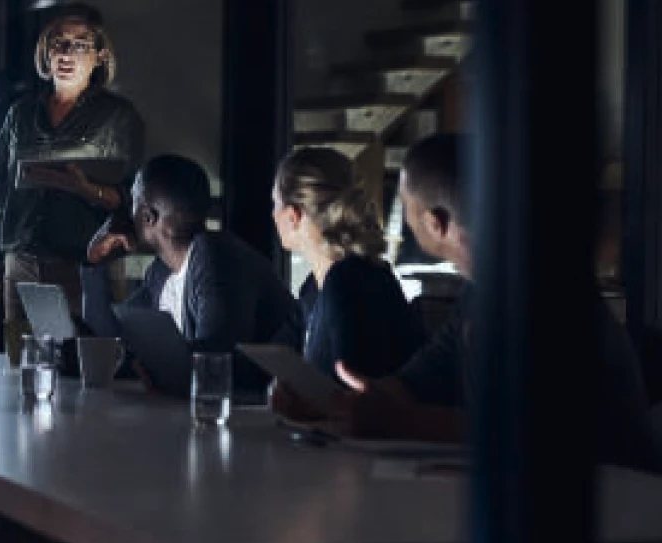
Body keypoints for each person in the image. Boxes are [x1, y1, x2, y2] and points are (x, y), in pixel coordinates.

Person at [317, 133, 658, 472]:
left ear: (437, 223)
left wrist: (404, 422)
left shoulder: (539, 291)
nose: (404, 220)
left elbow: (533, 435)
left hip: (616, 505)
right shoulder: (483, 290)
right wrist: (328, 406)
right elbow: (418, 382)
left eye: (407, 206)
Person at [0, 3, 145, 334]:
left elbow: (135, 201)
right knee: (20, 360)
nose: (67, 53)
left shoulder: (119, 116)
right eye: (59, 42)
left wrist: (87, 191)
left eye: (81, 44)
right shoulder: (21, 113)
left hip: (84, 263)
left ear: (99, 55)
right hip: (23, 261)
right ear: (47, 52)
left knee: (82, 362)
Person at [81, 154, 303, 392]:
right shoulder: (160, 272)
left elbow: (213, 364)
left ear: (148, 217)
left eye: (133, 203)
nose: (127, 214)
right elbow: (110, 341)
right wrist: (95, 262)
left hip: (261, 417)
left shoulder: (217, 257)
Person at [271, 147, 426, 379]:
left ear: (294, 215)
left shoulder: (350, 281)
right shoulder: (314, 288)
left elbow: (351, 391)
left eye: (275, 203)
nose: (273, 214)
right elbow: (275, 357)